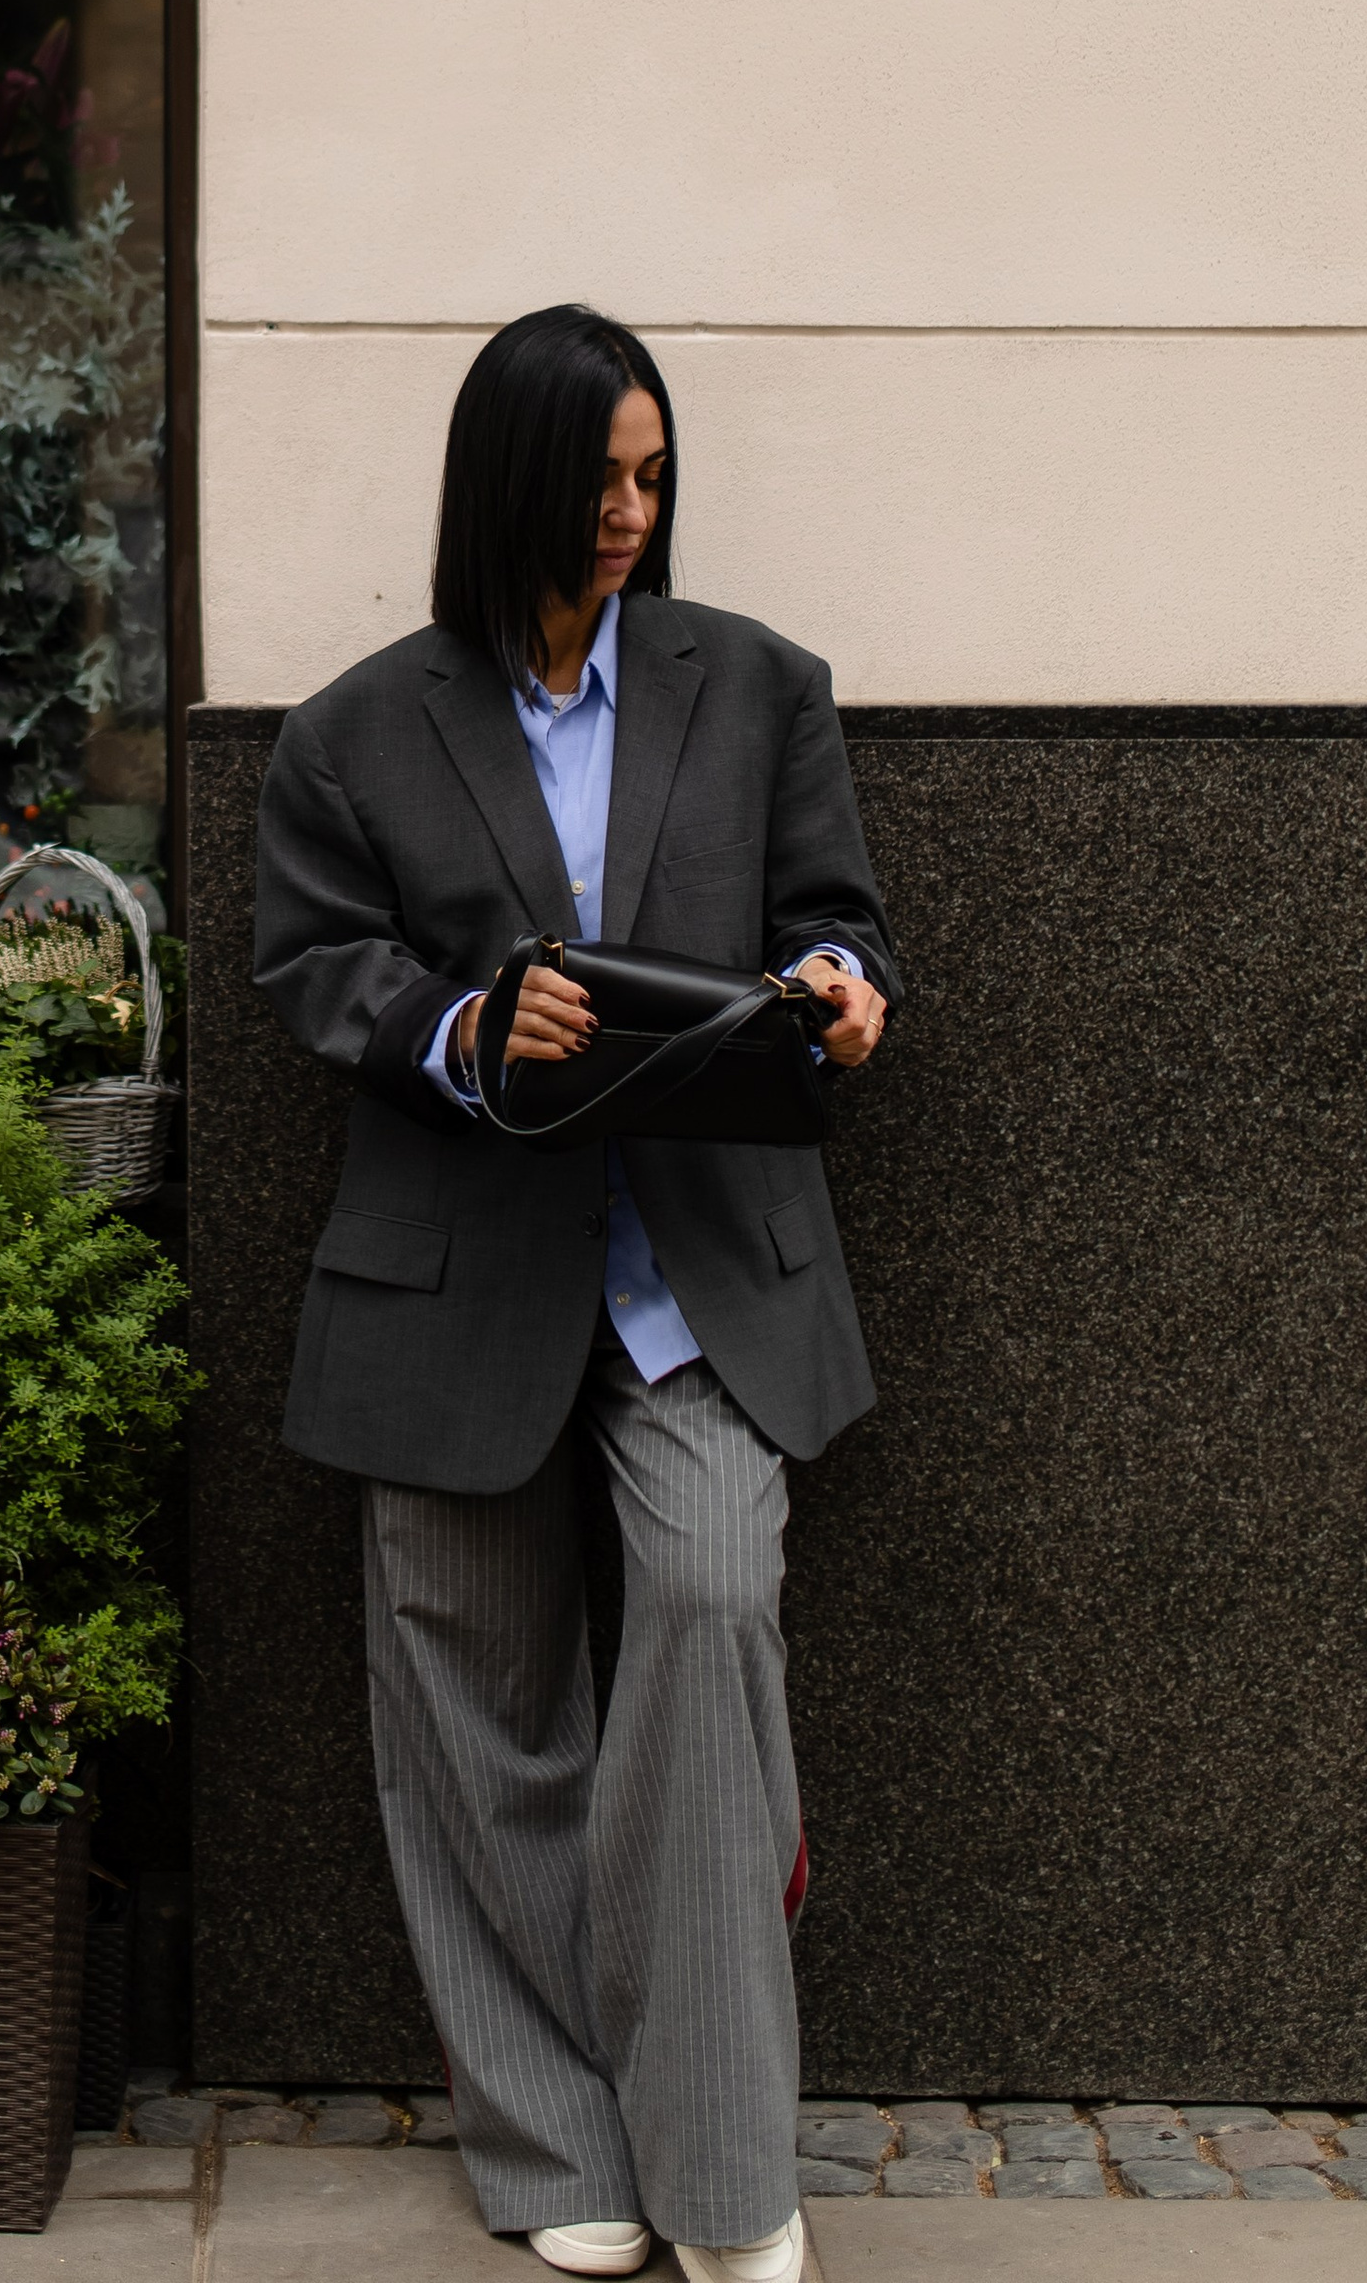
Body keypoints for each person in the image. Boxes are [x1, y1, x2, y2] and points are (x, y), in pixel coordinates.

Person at [252, 304, 898, 2283]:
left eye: (651, 475)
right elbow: (309, 967)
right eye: (597, 477)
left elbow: (830, 922)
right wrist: (466, 1020)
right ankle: (553, 2153)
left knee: (707, 1606)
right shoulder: (356, 727)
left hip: (699, 1280)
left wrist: (847, 997)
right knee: (477, 1717)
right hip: (456, 1280)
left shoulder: (758, 685)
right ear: (508, 484)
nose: (628, 512)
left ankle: (720, 2168)